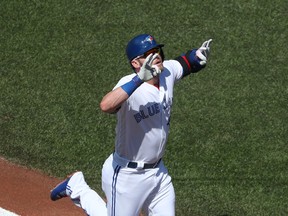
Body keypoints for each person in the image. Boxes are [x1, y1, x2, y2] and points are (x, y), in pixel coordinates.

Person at [50, 34, 213, 216]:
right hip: (127, 176)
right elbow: (106, 105)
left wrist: (197, 56)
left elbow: (186, 63)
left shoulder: (166, 71)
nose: (156, 55)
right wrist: (138, 80)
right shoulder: (128, 85)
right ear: (136, 63)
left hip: (158, 174)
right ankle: (77, 187)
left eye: (156, 50)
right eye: (149, 53)